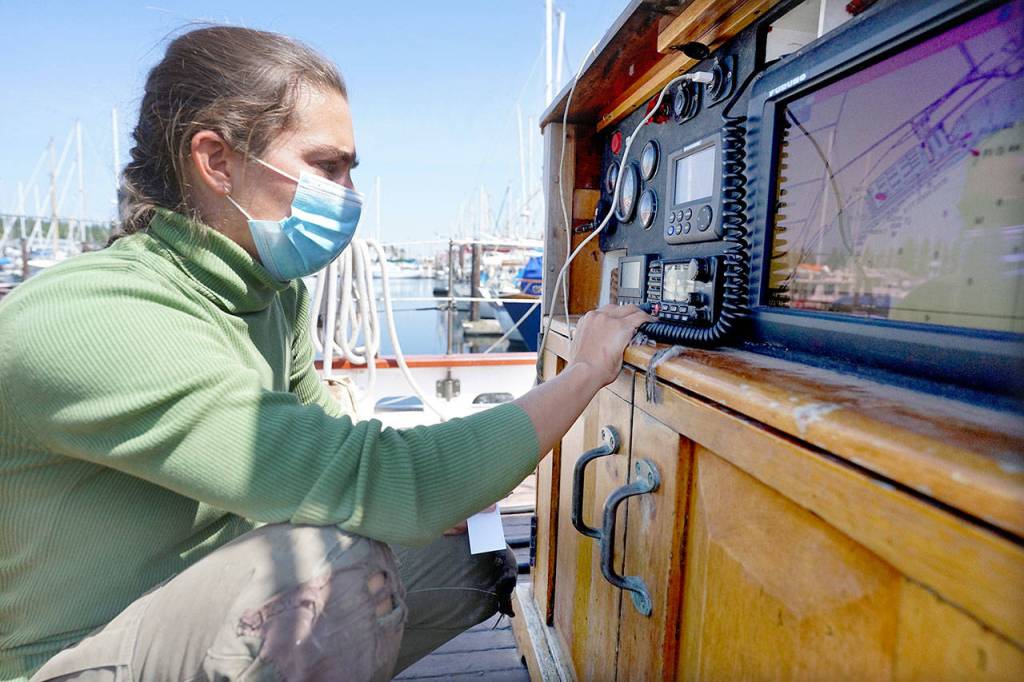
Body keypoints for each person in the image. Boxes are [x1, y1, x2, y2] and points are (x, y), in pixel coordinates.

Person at [0, 26, 651, 682]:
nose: (348, 194)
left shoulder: (269, 298)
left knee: (472, 561)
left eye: (350, 170)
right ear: (216, 160)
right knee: (328, 579)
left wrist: (443, 500)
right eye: (326, 166)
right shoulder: (96, 318)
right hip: (68, 658)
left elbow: (335, 452)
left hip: (198, 607)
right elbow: (380, 477)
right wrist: (587, 371)